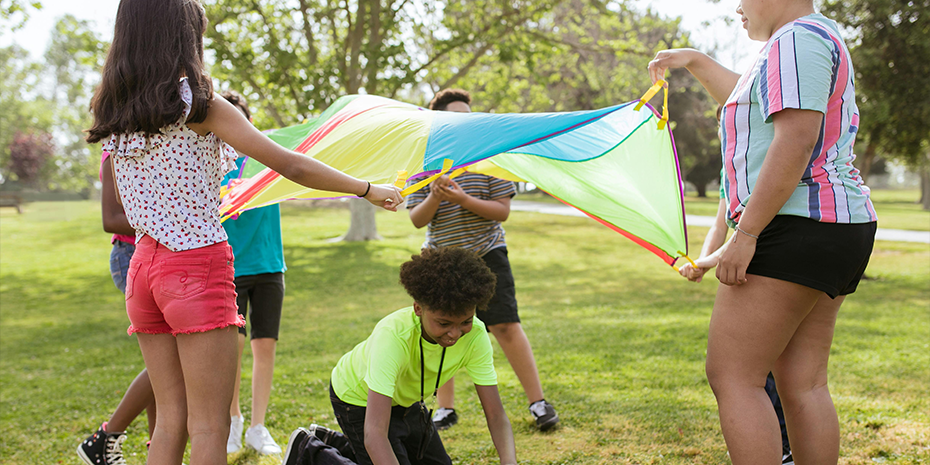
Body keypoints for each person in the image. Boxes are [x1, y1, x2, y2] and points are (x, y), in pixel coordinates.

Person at [85, 2, 403, 464]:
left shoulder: (116, 111)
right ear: (183, 34)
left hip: (142, 271)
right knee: (210, 424)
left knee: (171, 417)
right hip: (194, 263)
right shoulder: (199, 104)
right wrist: (367, 188)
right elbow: (290, 164)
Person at [649, 0, 877, 463]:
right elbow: (750, 102)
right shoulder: (806, 39)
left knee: (733, 375)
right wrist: (694, 59)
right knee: (803, 382)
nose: (736, 7)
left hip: (794, 225)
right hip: (832, 225)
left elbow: (796, 138)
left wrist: (745, 234)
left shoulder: (797, 40)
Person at [405, 89, 559, 432]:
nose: (466, 120)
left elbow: (501, 211)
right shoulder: (423, 162)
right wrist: (434, 195)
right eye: (457, 115)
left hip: (487, 254)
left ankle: (538, 402)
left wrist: (461, 197)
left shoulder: (491, 155)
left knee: (505, 325)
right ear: (441, 121)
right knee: (439, 330)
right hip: (440, 259)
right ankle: (445, 408)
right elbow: (417, 219)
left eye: (468, 113)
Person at [281, 247, 518, 465]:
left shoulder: (475, 335)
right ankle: (308, 452)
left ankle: (336, 442)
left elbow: (496, 415)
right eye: (444, 323)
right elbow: (375, 434)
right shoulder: (393, 336)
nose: (455, 333)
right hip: (357, 398)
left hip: (407, 401)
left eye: (465, 321)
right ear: (418, 308)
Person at [678, 108, 793, 465]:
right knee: (759, 370)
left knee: (762, 372)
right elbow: (721, 223)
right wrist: (701, 258)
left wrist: (713, 259)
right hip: (739, 268)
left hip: (762, 262)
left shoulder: (763, 166)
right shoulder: (733, 170)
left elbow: (749, 229)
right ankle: (769, 443)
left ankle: (781, 446)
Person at [219, 90, 287, 455]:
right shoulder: (212, 164)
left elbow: (298, 169)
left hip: (270, 267)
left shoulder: (266, 158)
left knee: (265, 346)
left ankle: (258, 427)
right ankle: (233, 422)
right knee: (233, 349)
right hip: (230, 268)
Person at [76, 154, 156, 465]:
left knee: (161, 362)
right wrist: (168, 222)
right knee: (166, 362)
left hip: (155, 253)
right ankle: (105, 438)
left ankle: (160, 449)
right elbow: (110, 219)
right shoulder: (116, 153)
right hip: (132, 255)